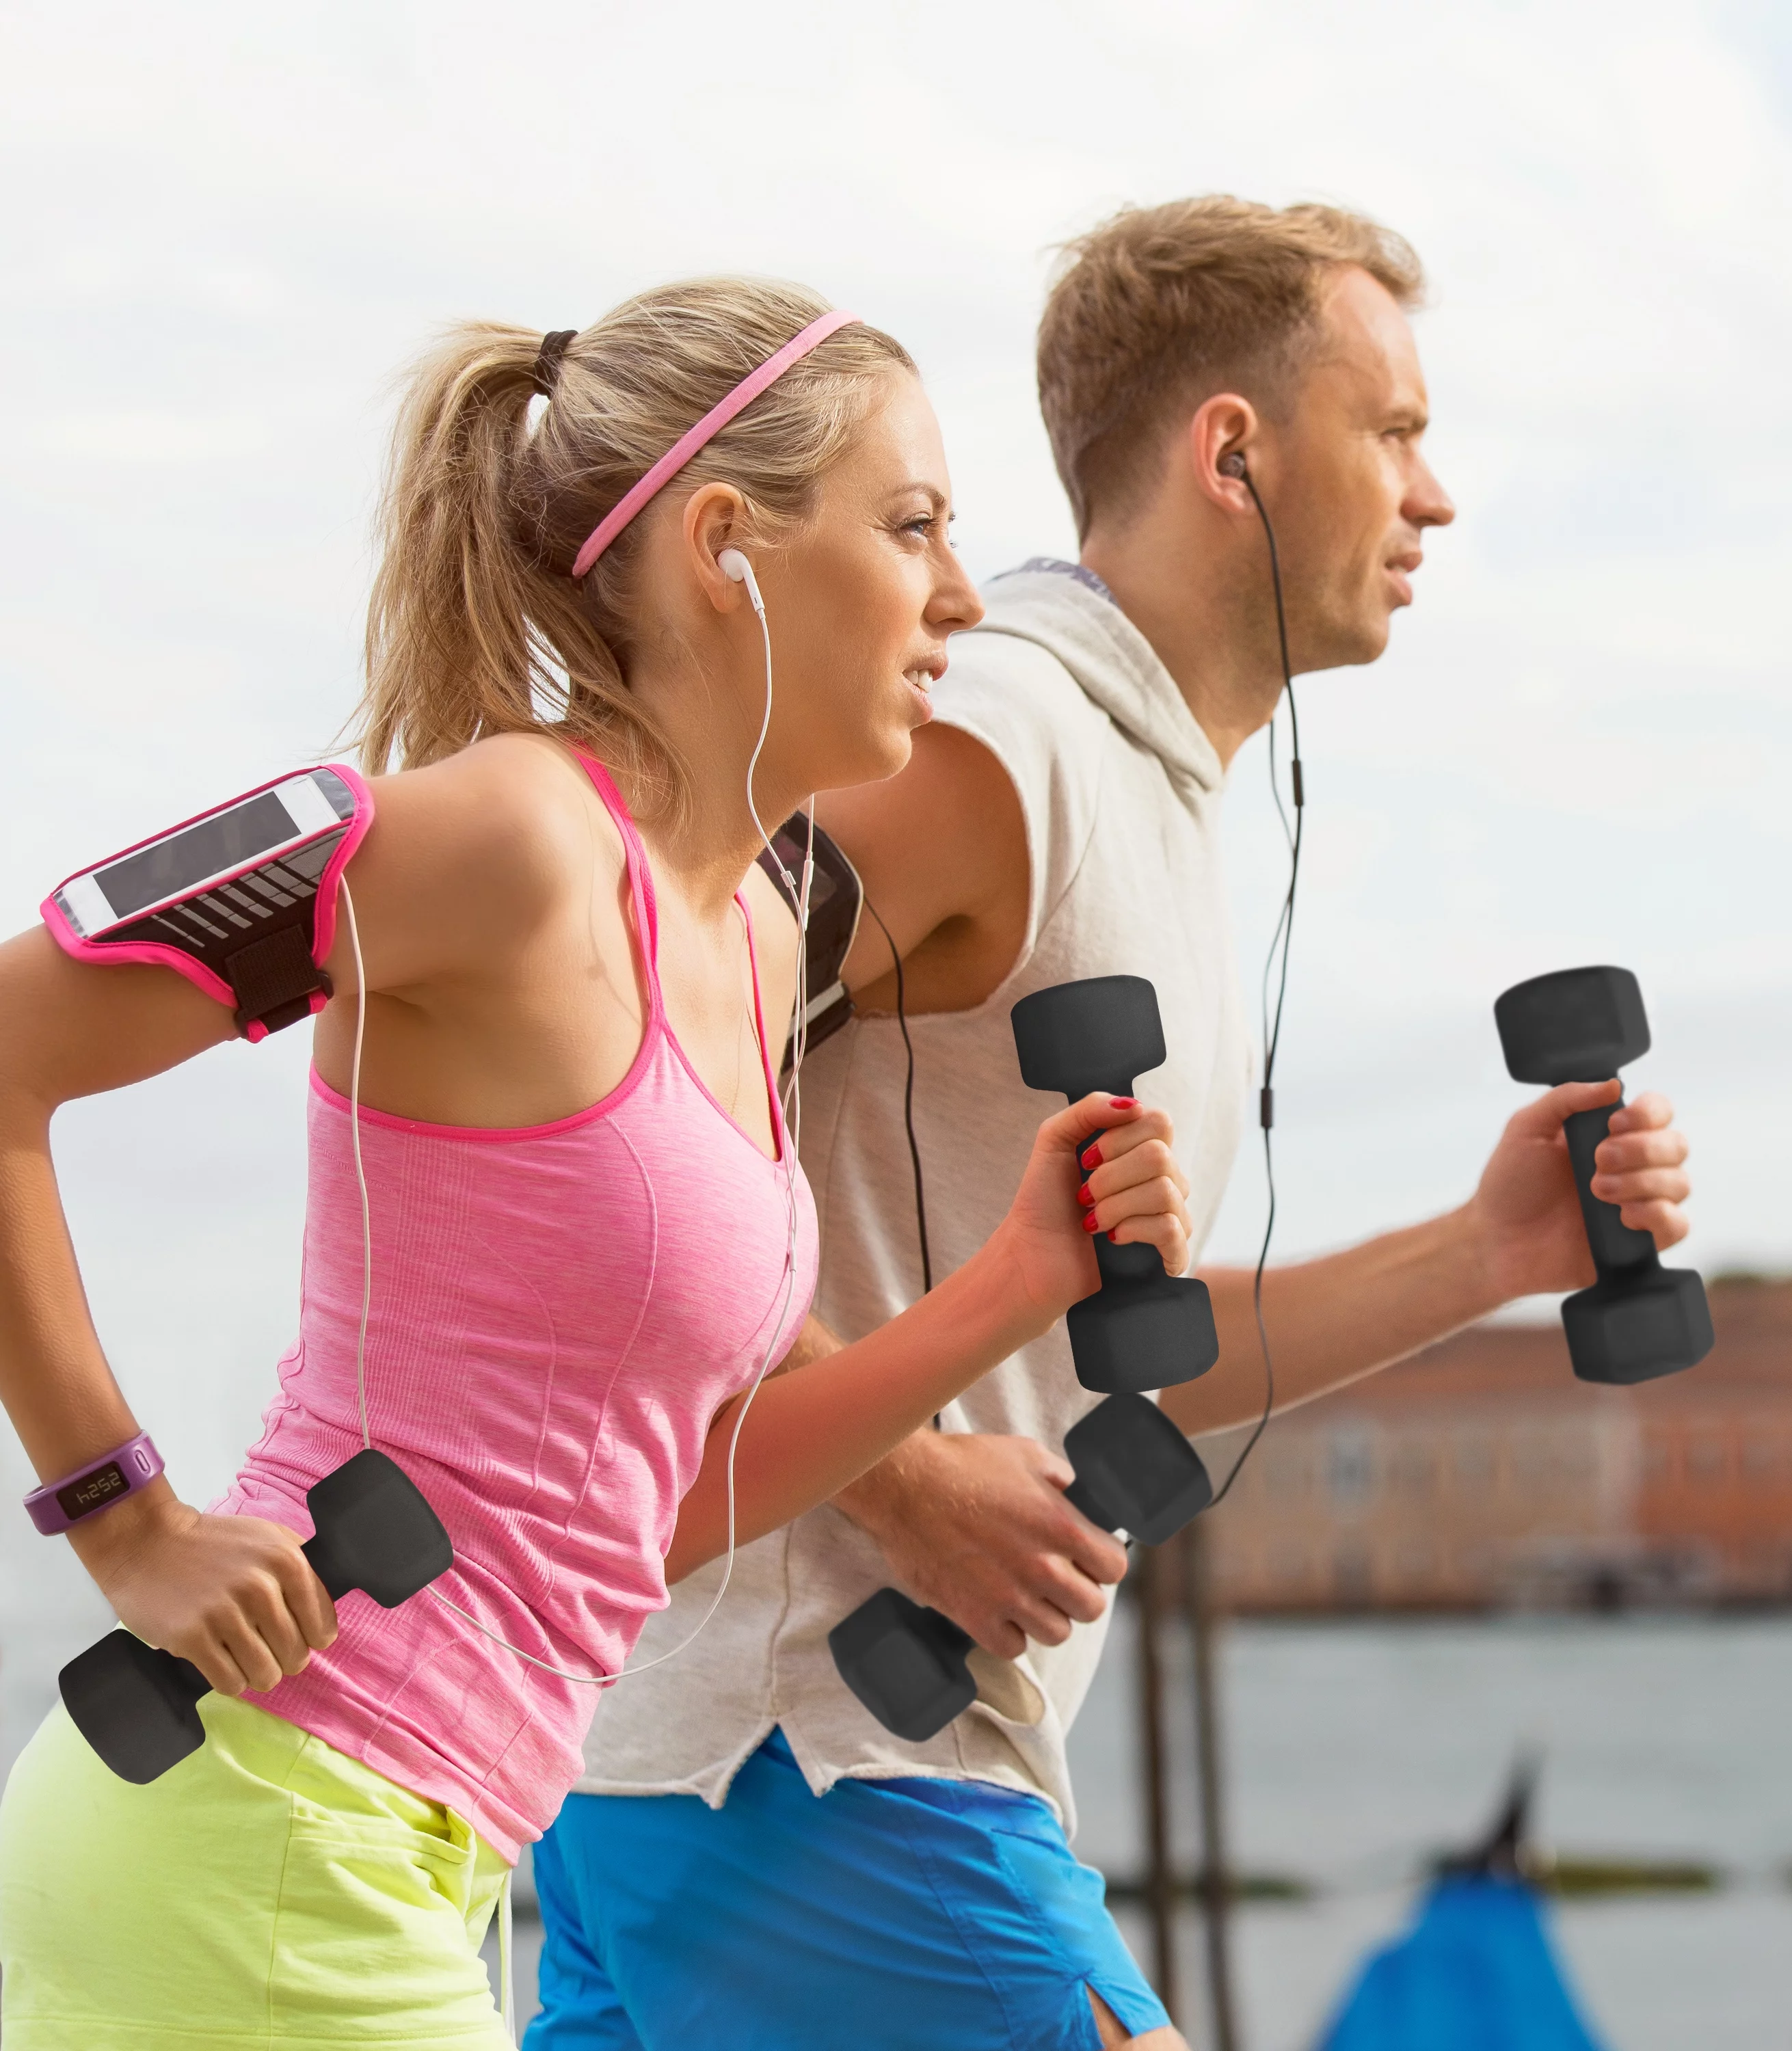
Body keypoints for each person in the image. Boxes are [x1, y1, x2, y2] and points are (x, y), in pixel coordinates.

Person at [530, 200, 1698, 2051]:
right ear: (1233, 448)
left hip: (702, 1786)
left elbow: (1096, 1357)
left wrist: (1491, 1255)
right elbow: (601, 1079)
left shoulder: (1131, 791)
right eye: (1390, 430)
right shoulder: (999, 749)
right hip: (819, 1771)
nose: (1434, 493)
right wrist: (904, 1479)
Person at [0, 278, 1198, 2049]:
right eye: (916, 526)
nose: (962, 595)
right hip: (264, 1834)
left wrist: (1011, 1288)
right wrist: (124, 1515)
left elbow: (638, 1511)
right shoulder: (509, 838)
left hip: (424, 1856)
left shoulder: (756, 942)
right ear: (729, 546)